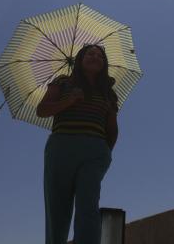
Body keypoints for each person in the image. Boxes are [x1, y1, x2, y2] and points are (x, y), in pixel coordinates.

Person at [36, 43, 119, 244]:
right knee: (58, 209)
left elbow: (112, 128)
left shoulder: (108, 92)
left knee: (88, 206)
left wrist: (105, 152)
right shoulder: (63, 82)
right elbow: (42, 110)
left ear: (104, 63)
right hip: (61, 149)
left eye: (100, 56)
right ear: (80, 59)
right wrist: (69, 100)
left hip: (95, 152)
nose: (95, 57)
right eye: (90, 54)